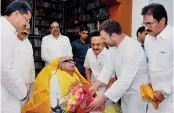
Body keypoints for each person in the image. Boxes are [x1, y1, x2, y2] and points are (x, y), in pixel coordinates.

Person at [86, 19, 149, 113]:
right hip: (125, 93)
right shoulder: (112, 46)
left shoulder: (132, 49)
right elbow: (108, 68)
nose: (103, 42)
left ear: (114, 36)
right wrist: (95, 86)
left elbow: (125, 79)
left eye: (104, 38)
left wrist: (103, 98)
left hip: (137, 94)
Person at [21, 56, 92, 113]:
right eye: (67, 61)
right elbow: (54, 98)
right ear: (61, 66)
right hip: (61, 106)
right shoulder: (56, 76)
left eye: (72, 60)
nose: (71, 62)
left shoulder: (75, 76)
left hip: (76, 105)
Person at [141, 3, 173, 113]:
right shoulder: (148, 39)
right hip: (154, 97)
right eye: (144, 24)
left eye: (149, 24)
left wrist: (165, 92)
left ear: (162, 21)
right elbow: (150, 65)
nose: (146, 28)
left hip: (170, 99)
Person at [1, 1, 32, 113]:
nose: (27, 24)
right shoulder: (3, 32)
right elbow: (4, 70)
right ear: (16, 14)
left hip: (10, 91)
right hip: (5, 95)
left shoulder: (10, 32)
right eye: (27, 19)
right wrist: (22, 92)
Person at [84, 31, 122, 113]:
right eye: (92, 44)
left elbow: (111, 80)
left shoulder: (110, 55)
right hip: (93, 87)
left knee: (105, 110)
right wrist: (90, 84)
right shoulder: (89, 52)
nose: (95, 47)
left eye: (98, 44)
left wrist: (103, 97)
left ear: (104, 44)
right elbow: (87, 68)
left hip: (106, 89)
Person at [17, 23, 35, 105]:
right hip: (18, 80)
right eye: (24, 28)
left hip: (29, 79)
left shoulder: (27, 41)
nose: (25, 31)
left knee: (28, 103)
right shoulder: (12, 41)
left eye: (27, 30)